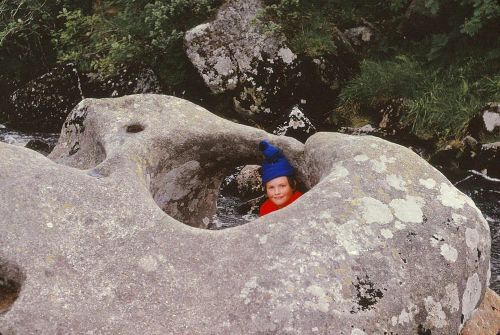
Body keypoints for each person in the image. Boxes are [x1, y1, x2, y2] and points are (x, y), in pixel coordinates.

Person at [259, 140, 303, 216]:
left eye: (282, 186)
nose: (277, 192)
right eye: (271, 187)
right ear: (266, 189)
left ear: (293, 185)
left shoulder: (301, 202)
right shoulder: (265, 209)